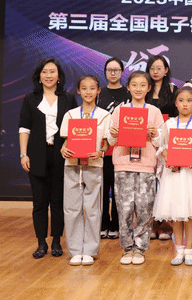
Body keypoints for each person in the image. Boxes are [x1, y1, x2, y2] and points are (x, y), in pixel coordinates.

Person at [19, 57, 78, 259]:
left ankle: (56, 242)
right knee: (39, 202)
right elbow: (24, 128)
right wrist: (23, 154)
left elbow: (75, 127)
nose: (48, 75)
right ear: (39, 76)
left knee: (58, 201)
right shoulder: (30, 98)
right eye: (44, 72)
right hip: (36, 154)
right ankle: (41, 243)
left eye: (52, 71)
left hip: (61, 154)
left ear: (59, 76)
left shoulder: (68, 98)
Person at [108, 71, 163, 265]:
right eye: (134, 85)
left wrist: (155, 134)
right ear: (128, 87)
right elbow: (111, 140)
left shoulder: (154, 112)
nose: (138, 89)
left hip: (146, 166)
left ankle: (139, 248)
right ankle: (127, 248)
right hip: (123, 164)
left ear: (149, 88)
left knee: (144, 210)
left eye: (142, 85)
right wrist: (113, 133)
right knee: (123, 209)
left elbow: (161, 143)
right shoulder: (120, 111)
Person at [153, 86, 192, 266]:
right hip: (174, 174)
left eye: (189, 100)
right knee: (176, 213)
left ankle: (189, 250)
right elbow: (162, 148)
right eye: (181, 100)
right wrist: (168, 158)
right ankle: (178, 249)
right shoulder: (169, 124)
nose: (185, 104)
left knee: (190, 214)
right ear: (175, 103)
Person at [59, 75, 111, 266]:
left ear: (98, 91)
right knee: (71, 208)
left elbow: (106, 142)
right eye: (84, 88)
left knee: (93, 208)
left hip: (94, 165)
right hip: (72, 165)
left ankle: (89, 250)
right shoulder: (70, 114)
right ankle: (75, 250)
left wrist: (101, 152)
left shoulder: (105, 115)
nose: (88, 92)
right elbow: (66, 140)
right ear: (78, 91)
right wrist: (63, 149)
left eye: (92, 88)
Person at [96, 57, 130, 240]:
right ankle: (103, 224)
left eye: (116, 70)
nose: (113, 73)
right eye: (109, 70)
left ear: (122, 72)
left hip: (122, 149)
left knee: (119, 191)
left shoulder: (128, 94)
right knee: (102, 190)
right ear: (105, 72)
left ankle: (116, 225)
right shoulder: (99, 93)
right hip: (102, 149)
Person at [145, 55, 178, 241]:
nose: (155, 72)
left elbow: (177, 118)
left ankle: (165, 222)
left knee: (165, 184)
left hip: (166, 142)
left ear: (166, 70)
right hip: (145, 141)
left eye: (159, 68)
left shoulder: (173, 91)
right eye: (152, 68)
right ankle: (151, 223)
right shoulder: (144, 89)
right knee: (149, 185)